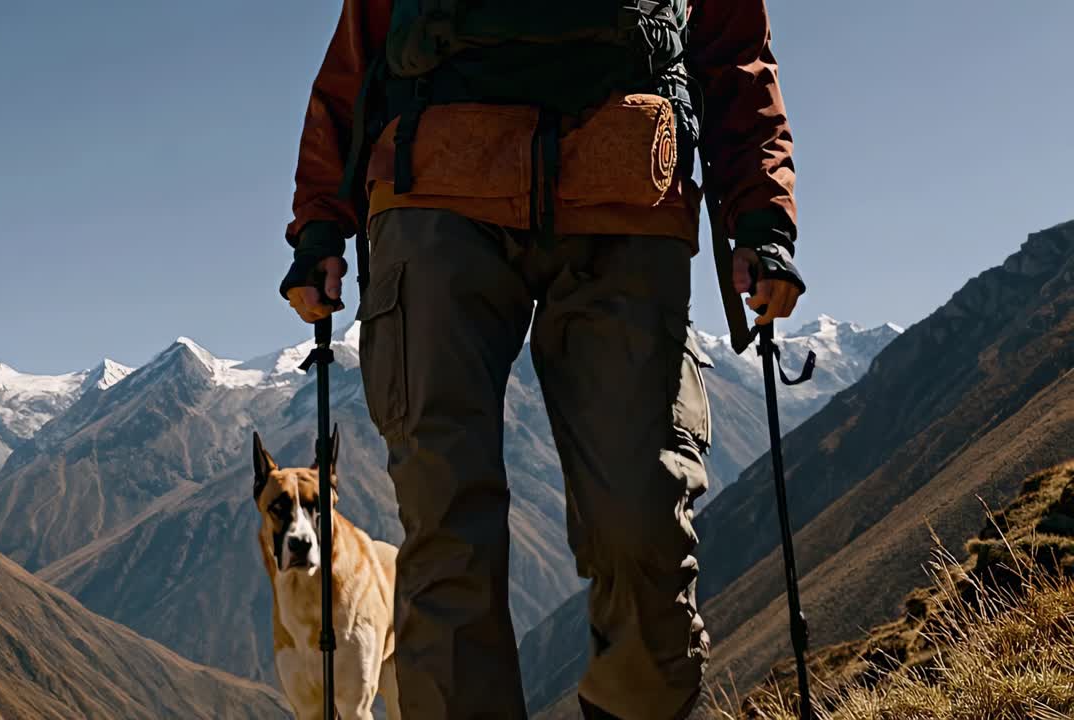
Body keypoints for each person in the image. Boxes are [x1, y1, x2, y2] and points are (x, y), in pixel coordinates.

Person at [278, 1, 805, 718]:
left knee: (641, 517)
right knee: (445, 527)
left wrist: (763, 218)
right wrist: (319, 224)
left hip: (622, 188)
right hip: (436, 184)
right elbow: (359, 47)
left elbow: (734, 50)